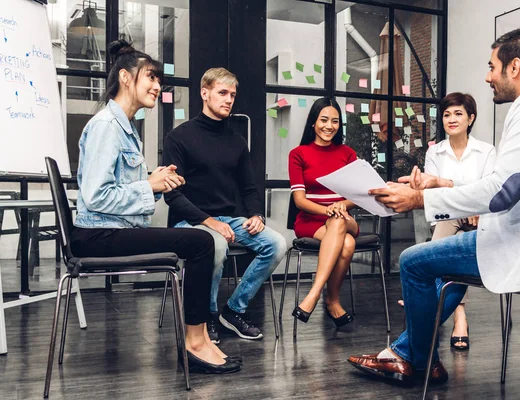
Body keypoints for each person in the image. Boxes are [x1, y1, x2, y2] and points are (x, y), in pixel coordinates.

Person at [348, 27, 520, 385]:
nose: (487, 76)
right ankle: (413, 355)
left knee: (413, 261)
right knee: (445, 267)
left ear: (514, 67)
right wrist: (438, 184)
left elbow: (501, 191)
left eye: (491, 66)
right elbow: (505, 184)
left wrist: (420, 198)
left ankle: (415, 360)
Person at [70, 41, 241, 374]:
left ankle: (201, 338)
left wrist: (155, 180)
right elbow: (95, 196)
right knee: (202, 241)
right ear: (125, 77)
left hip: (113, 230)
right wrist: (148, 185)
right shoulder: (107, 127)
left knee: (200, 242)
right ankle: (195, 343)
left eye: (159, 80)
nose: (158, 86)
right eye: (151, 77)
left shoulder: (126, 128)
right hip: (97, 235)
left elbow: (119, 188)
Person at [162, 67, 287, 343]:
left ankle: (232, 311)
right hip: (189, 222)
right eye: (222, 93)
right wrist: (210, 222)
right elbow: (173, 196)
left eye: (232, 95)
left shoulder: (236, 142)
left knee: (277, 243)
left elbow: (248, 187)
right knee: (215, 244)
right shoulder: (179, 138)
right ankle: (204, 316)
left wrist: (256, 214)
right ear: (204, 94)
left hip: (227, 220)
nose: (229, 99)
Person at [398, 92, 496, 350]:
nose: (451, 119)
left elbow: (488, 190)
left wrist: (470, 203)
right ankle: (459, 317)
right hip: (448, 217)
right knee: (447, 224)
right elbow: (437, 194)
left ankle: (422, 300)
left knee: (448, 242)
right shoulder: (435, 153)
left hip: (482, 219)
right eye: (446, 114)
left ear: (470, 118)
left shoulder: (487, 151)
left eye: (458, 113)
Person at [288, 97, 359, 327]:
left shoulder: (348, 154)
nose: (329, 126)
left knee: (339, 222)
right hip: (310, 221)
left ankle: (313, 294)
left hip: (345, 217)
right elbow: (299, 201)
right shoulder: (298, 154)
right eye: (324, 120)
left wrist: (341, 207)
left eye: (335, 121)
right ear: (313, 122)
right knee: (347, 244)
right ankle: (332, 300)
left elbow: (356, 196)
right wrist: (329, 210)